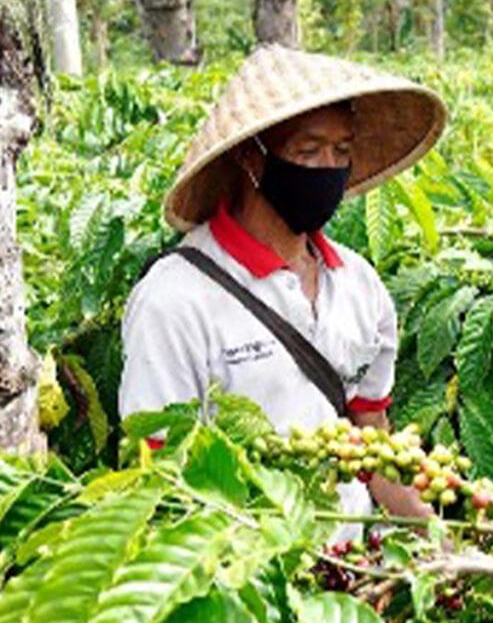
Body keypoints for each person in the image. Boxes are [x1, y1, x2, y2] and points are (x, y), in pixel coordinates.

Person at [119, 44, 447, 522]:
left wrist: (434, 538)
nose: (328, 168)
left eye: (342, 151)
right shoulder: (174, 301)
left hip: (350, 573)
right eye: (308, 151)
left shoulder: (358, 283)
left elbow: (370, 432)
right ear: (252, 159)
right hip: (242, 576)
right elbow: (159, 471)